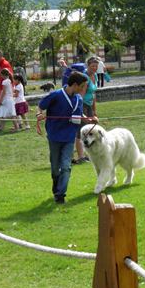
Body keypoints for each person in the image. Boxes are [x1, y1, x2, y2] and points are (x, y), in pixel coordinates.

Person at [36, 71, 94, 204]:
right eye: (83, 86)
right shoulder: (56, 95)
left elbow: (79, 116)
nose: (84, 89)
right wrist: (38, 115)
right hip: (54, 136)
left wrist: (90, 119)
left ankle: (61, 195)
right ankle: (56, 185)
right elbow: (40, 106)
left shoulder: (78, 99)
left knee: (66, 166)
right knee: (55, 168)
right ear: (75, 84)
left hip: (69, 137)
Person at [73, 56, 98, 164]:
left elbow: (93, 94)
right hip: (82, 105)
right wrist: (80, 111)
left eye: (96, 66)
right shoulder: (85, 77)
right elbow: (81, 95)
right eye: (92, 66)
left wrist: (94, 110)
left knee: (90, 129)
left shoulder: (95, 76)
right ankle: (80, 156)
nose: (94, 68)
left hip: (89, 105)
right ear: (88, 66)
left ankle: (88, 154)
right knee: (80, 130)